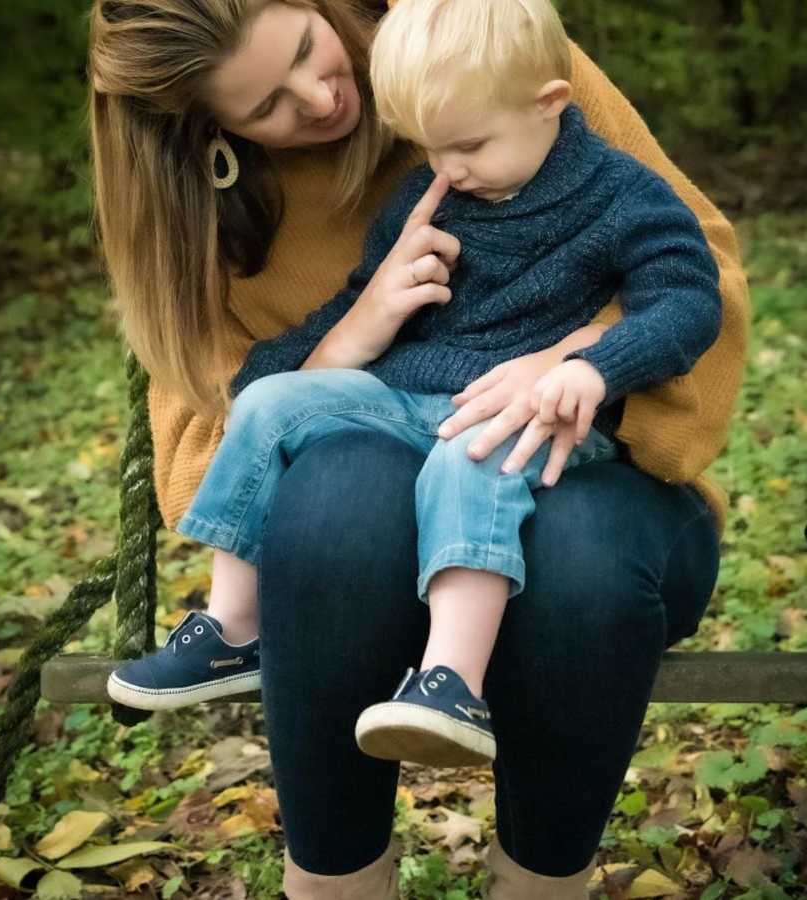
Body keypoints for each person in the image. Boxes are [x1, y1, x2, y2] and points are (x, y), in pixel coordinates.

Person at [89, 0, 748, 896]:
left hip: (586, 466)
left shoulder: (480, 43)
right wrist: (354, 333)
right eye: (267, 109)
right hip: (363, 525)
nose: (319, 98)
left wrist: (573, 364)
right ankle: (317, 841)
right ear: (210, 130)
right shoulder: (409, 190)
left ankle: (530, 855)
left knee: (566, 543)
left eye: (309, 51)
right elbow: (209, 433)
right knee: (334, 490)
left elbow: (697, 276)